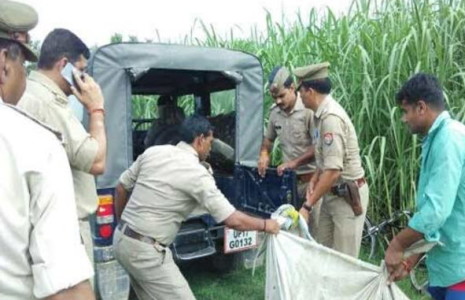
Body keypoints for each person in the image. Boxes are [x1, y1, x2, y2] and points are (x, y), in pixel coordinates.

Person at [113, 115, 280, 300]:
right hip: (146, 252)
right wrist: (266, 225)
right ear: (200, 139)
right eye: (210, 141)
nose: (210, 148)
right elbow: (232, 220)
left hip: (121, 239)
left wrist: (123, 222)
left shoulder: (153, 152)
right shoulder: (197, 173)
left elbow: (121, 188)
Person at [0, 1, 94, 299]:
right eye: (21, 65)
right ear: (4, 62)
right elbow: (97, 161)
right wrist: (98, 108)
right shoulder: (34, 138)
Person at [384, 73, 465, 300]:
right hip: (450, 265)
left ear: (421, 107)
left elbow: (436, 212)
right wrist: (412, 257)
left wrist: (397, 245)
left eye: (405, 112)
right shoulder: (436, 139)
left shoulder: (450, 139)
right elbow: (437, 215)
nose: (404, 119)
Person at [17, 28, 107, 271]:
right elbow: (97, 162)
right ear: (64, 65)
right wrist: (96, 109)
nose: (85, 80)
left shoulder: (30, 92)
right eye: (82, 71)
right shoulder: (47, 102)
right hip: (65, 228)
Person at [294, 62, 369, 258]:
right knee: (323, 252)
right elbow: (325, 159)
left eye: (299, 90)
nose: (298, 95)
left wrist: (307, 205)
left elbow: (334, 170)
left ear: (309, 91)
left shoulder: (331, 118)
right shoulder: (319, 115)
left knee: (344, 260)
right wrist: (314, 178)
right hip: (332, 194)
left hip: (347, 197)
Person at [257, 66, 319, 235]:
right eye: (274, 97)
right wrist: (264, 154)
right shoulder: (275, 113)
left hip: (311, 181)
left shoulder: (308, 111)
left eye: (281, 96)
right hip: (289, 184)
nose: (278, 101)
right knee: (291, 231)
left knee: (314, 231)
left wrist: (294, 163)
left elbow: (318, 148)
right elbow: (268, 140)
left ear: (292, 88)